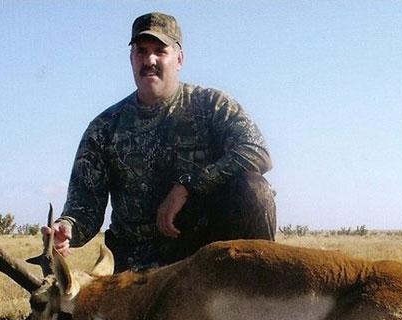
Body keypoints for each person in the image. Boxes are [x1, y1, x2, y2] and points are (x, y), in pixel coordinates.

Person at [45, 12, 276, 272]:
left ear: (179, 58)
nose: (150, 60)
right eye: (141, 51)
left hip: (209, 257)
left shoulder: (212, 105)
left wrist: (187, 186)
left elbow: (257, 152)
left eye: (160, 51)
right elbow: (84, 205)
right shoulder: (103, 128)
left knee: (253, 189)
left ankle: (260, 292)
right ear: (131, 58)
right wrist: (67, 229)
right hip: (139, 266)